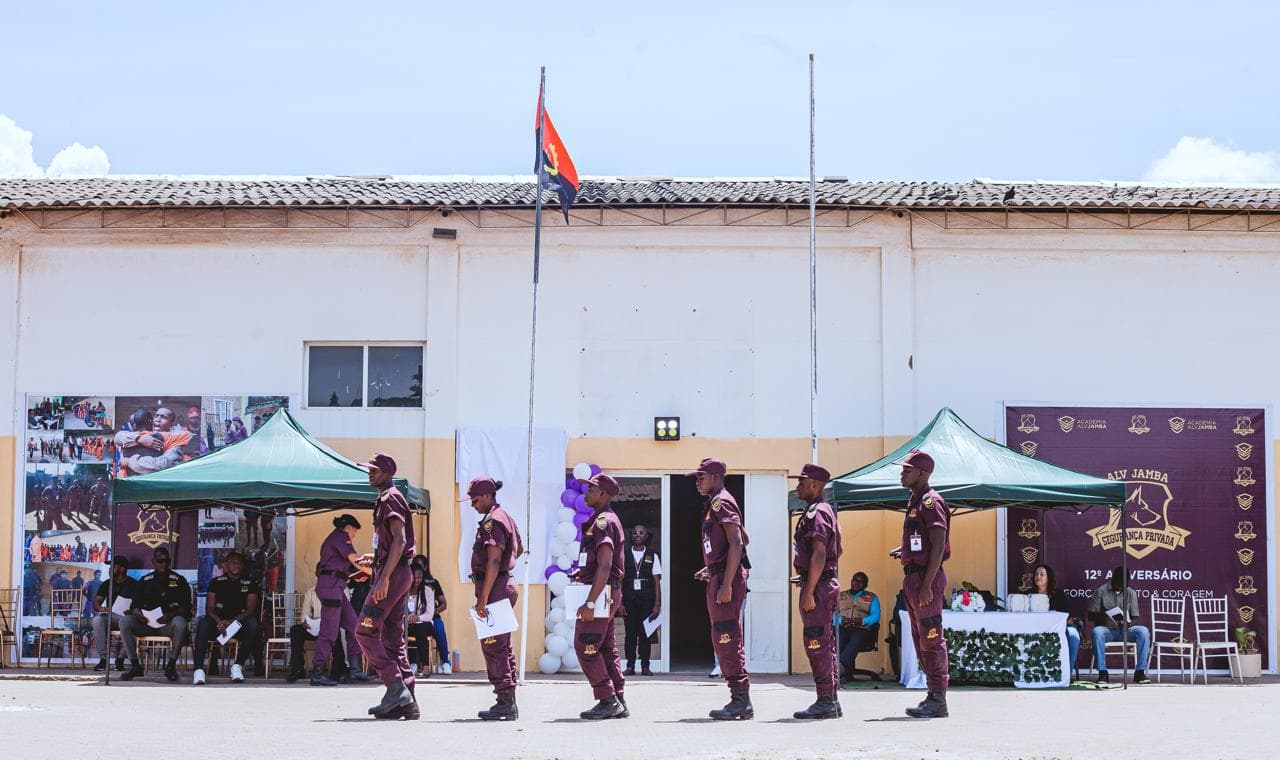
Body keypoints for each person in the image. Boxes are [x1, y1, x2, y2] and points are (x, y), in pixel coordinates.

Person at [355, 453, 418, 720]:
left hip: (393, 576)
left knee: (364, 632)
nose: (370, 473)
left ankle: (394, 686)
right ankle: (407, 702)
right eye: (369, 469)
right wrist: (376, 559)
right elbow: (391, 542)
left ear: (388, 474)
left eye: (375, 470)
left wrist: (383, 578)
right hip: (397, 571)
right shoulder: (385, 497)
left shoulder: (390, 497)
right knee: (393, 640)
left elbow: (400, 540)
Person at [689, 457, 752, 720]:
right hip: (720, 575)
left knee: (727, 637)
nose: (697, 481)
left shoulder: (721, 501)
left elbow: (737, 543)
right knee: (722, 637)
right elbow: (741, 537)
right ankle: (738, 698)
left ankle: (741, 700)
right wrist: (715, 568)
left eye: (700, 477)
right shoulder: (715, 503)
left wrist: (726, 581)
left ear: (715, 477)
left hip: (727, 581)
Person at [894, 449, 950, 718]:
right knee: (920, 640)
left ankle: (938, 698)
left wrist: (927, 585)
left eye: (907, 469)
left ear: (923, 473)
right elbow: (923, 541)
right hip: (914, 577)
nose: (902, 473)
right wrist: (905, 551)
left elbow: (939, 545)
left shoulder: (931, 502)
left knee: (931, 638)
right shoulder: (915, 502)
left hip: (926, 579)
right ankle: (932, 694)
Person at [466, 476, 524, 721]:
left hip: (495, 588)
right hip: (503, 584)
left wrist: (483, 599)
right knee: (502, 646)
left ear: (488, 496)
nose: (473, 505)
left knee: (493, 646)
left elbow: (493, 559)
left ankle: (505, 702)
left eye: (475, 499)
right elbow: (518, 549)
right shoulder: (506, 517)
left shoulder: (493, 522)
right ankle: (507, 700)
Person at [572, 473, 628, 720]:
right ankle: (618, 699)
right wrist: (582, 571)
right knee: (605, 647)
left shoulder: (604, 521)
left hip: (602, 594)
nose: (586, 493)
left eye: (591, 489)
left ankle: (607, 699)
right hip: (606, 590)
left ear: (604, 494)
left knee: (586, 644)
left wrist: (590, 602)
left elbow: (605, 566)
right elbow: (600, 563)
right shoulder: (600, 519)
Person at [790, 463, 843, 719]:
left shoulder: (817, 512)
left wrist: (809, 590)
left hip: (819, 588)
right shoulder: (819, 511)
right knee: (824, 642)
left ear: (815, 485)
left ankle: (825, 701)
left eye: (801, 482)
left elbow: (821, 553)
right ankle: (831, 699)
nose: (797, 486)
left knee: (816, 642)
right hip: (820, 583)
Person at [307, 513, 367, 686]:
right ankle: (317, 672)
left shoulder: (335, 540)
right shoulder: (341, 537)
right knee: (329, 632)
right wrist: (373, 571)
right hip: (331, 588)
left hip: (336, 587)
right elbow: (354, 559)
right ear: (348, 527)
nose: (354, 535)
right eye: (354, 532)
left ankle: (355, 671)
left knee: (353, 625)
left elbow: (341, 568)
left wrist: (357, 576)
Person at [120, 546, 192, 682]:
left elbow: (186, 608)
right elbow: (134, 605)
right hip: (146, 624)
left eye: (166, 561)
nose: (164, 564)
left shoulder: (178, 580)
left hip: (167, 626)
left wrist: (169, 616)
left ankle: (170, 666)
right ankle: (135, 666)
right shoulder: (145, 580)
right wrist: (137, 613)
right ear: (153, 561)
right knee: (125, 621)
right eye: (160, 561)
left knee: (181, 622)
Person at [192, 552, 260, 685]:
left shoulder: (250, 583)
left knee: (253, 624)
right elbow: (209, 608)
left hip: (238, 625)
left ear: (243, 566)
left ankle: (237, 665)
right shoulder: (216, 582)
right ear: (226, 565)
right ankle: (199, 669)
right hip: (218, 625)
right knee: (203, 624)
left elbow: (250, 609)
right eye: (232, 562)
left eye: (239, 562)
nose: (236, 564)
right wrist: (219, 621)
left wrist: (231, 622)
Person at [1087, 565, 1151, 684]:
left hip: (1126, 630)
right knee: (1097, 632)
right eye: (1117, 584)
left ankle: (1140, 672)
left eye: (1123, 585)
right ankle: (1103, 672)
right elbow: (1090, 616)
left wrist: (1129, 623)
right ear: (1112, 579)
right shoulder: (1101, 591)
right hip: (1108, 630)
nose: (1119, 587)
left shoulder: (1131, 593)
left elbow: (1135, 616)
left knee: (1144, 631)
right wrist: (1104, 614)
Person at [286, 584, 351, 683]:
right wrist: (305, 622)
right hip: (316, 626)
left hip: (333, 625)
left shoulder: (342, 589)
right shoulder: (311, 591)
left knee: (337, 632)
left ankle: (336, 671)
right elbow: (305, 611)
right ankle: (298, 669)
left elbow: (345, 611)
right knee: (295, 630)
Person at [621, 523, 661, 677]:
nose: (637, 535)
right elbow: (619, 580)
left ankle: (645, 666)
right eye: (635, 532)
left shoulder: (652, 555)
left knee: (645, 635)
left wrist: (657, 604)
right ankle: (630, 666)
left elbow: (657, 581)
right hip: (629, 600)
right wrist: (620, 603)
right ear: (631, 536)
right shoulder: (624, 555)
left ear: (646, 536)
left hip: (646, 601)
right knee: (630, 634)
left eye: (641, 532)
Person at [1032, 564, 1080, 675]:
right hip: (1036, 628)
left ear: (1048, 578)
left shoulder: (1059, 595)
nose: (1038, 576)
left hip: (1059, 627)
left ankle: (1066, 674)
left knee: (1073, 636)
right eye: (1036, 574)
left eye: (1042, 574)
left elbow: (1068, 618)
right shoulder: (1029, 594)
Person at [91, 557, 137, 671]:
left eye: (112, 566)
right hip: (111, 617)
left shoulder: (134, 584)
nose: (109, 569)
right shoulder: (107, 583)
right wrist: (100, 608)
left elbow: (141, 606)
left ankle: (120, 660)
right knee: (97, 620)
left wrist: (131, 612)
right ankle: (103, 660)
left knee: (137, 625)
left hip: (127, 618)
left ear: (122, 569)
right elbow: (96, 602)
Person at [838, 571, 881, 681]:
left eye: (860, 582)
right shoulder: (840, 596)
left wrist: (862, 621)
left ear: (865, 585)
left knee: (856, 637)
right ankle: (843, 670)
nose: (856, 583)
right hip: (843, 627)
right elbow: (831, 615)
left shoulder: (872, 597)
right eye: (854, 580)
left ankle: (840, 668)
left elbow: (876, 616)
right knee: (840, 638)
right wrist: (839, 621)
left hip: (862, 629)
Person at [412, 556, 452, 674]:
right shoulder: (408, 585)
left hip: (432, 616)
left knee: (439, 629)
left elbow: (444, 604)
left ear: (425, 567)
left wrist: (432, 612)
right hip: (415, 618)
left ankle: (445, 662)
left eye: (421, 566)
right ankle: (413, 663)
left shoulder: (433, 583)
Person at [406, 564, 437, 678]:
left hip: (424, 624)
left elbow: (429, 614)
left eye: (419, 578)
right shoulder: (403, 590)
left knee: (420, 628)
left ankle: (425, 668)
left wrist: (417, 618)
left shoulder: (428, 591)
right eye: (414, 577)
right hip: (407, 624)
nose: (416, 580)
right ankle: (401, 666)